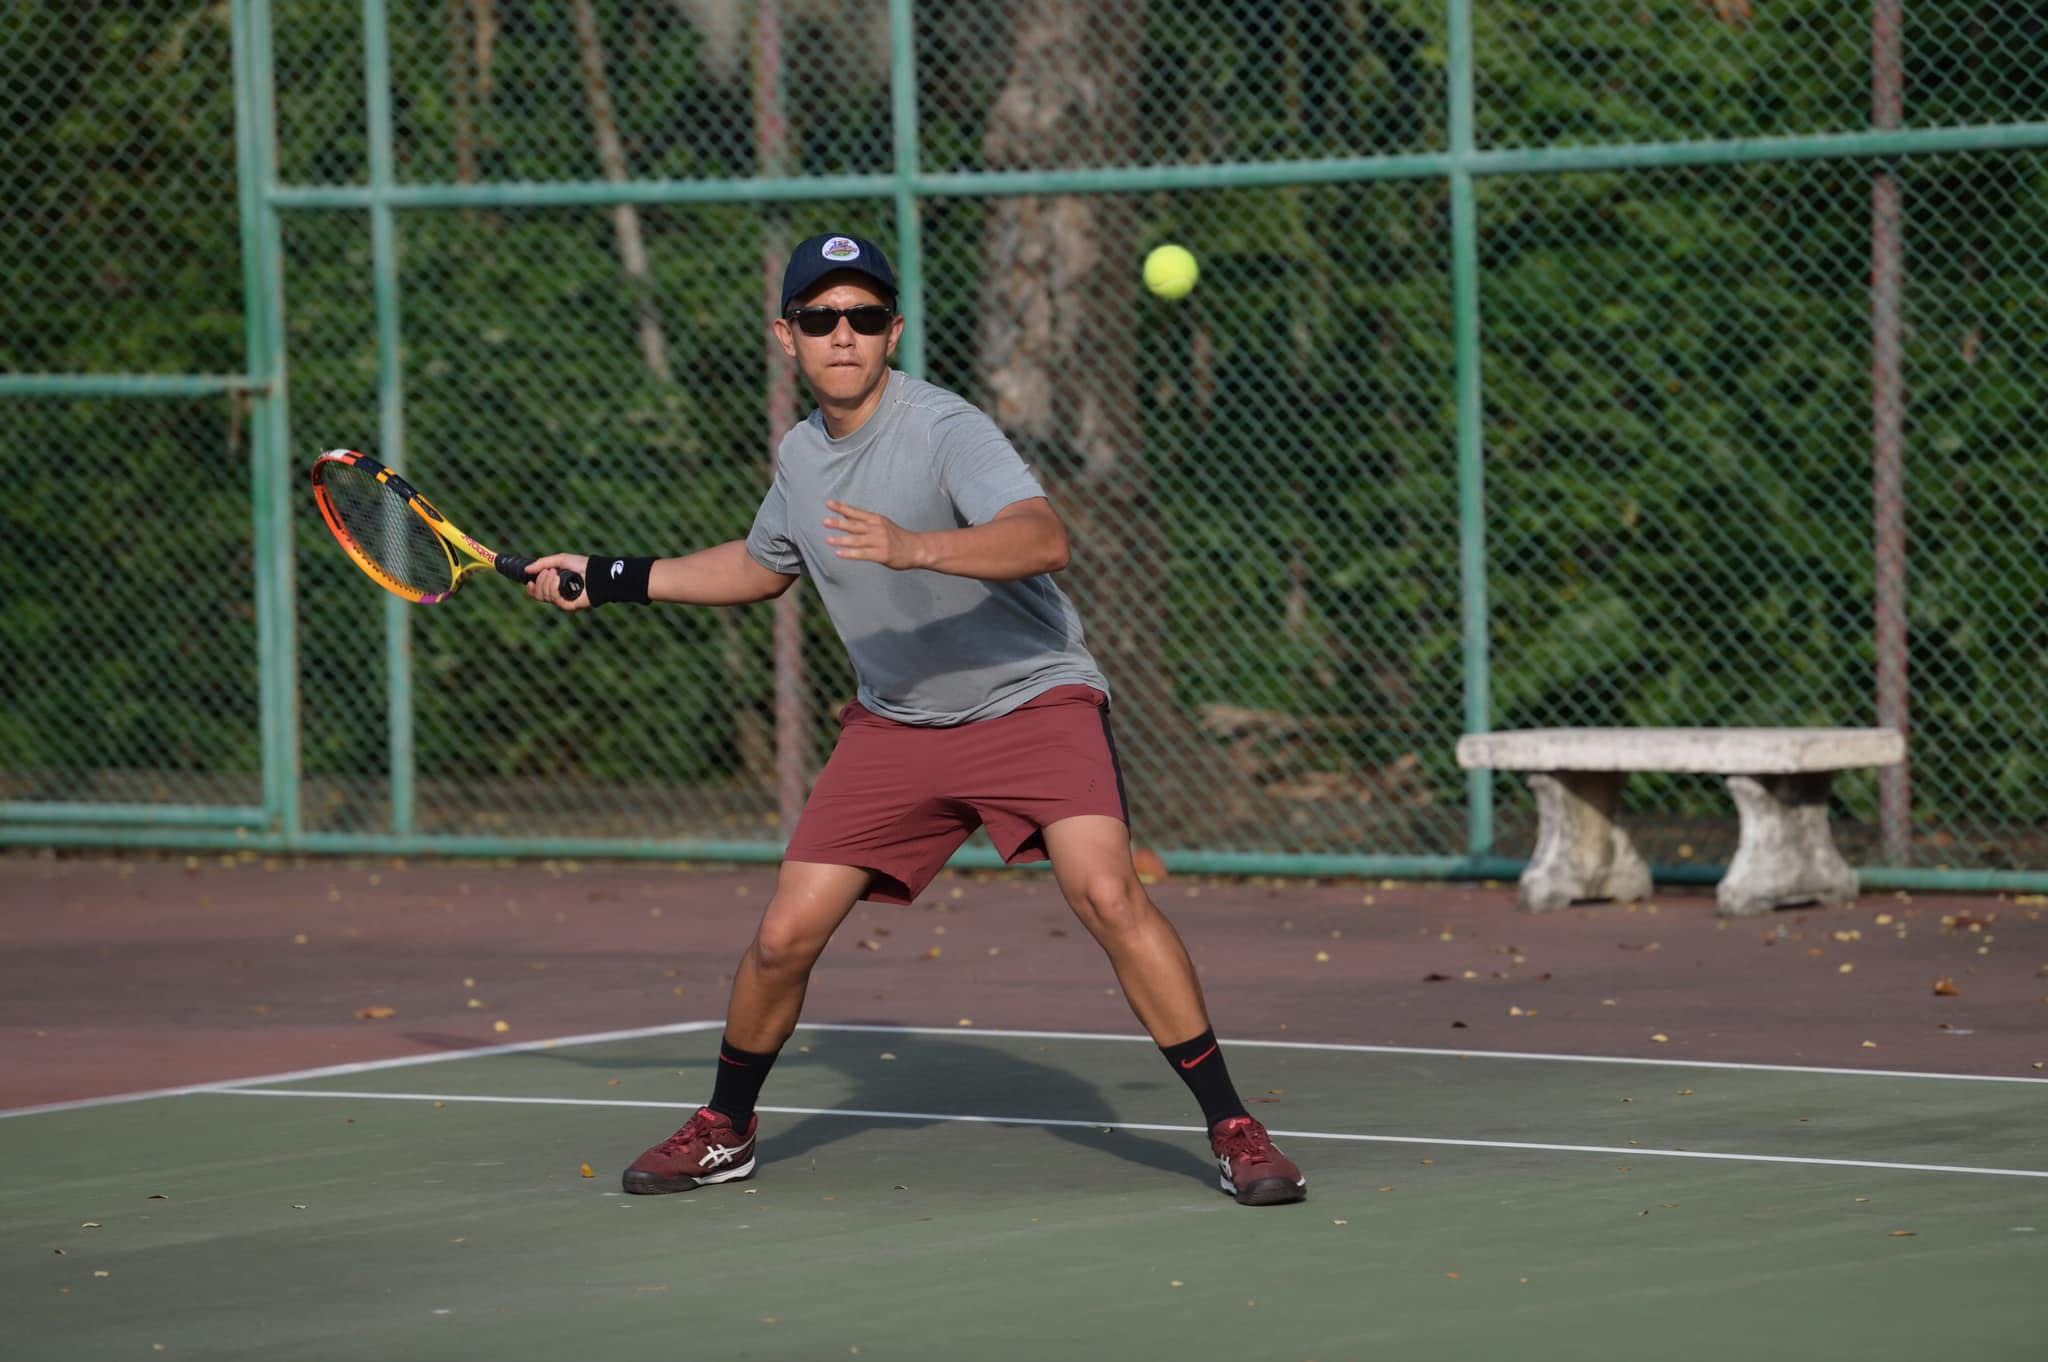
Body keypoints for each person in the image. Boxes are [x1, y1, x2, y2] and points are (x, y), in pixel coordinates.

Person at [525, 231, 1307, 1207]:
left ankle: (1233, 1128)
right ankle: (726, 1127)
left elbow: (1042, 537)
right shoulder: (801, 457)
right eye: (820, 318)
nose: (841, 335)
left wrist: (915, 548)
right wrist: (608, 578)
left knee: (1105, 894)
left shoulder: (946, 430)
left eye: (861, 317)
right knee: (781, 936)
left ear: (891, 331)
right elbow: (764, 567)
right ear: (787, 337)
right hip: (896, 727)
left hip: (1030, 698)